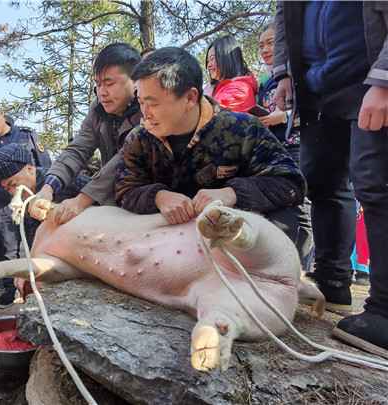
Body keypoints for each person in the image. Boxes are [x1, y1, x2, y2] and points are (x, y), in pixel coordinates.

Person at [273, 1, 387, 356]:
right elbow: (285, 14)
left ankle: (384, 309)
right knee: (321, 182)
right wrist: (284, 72)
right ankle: (332, 280)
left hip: (368, 75)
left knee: (376, 185)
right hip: (317, 87)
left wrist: (384, 80)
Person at [116, 47, 306, 246]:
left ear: (190, 98)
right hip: (167, 246)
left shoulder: (242, 129)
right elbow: (124, 191)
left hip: (236, 244)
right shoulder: (139, 139)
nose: (144, 114)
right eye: (141, 103)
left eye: (152, 103)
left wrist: (233, 194)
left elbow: (291, 183)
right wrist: (158, 197)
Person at [32, 43, 143, 225]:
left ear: (136, 81)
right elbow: (77, 149)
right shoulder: (97, 110)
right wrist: (47, 189)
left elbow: (125, 157)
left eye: (109, 84)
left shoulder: (149, 108)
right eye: (98, 85)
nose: (102, 93)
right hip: (109, 194)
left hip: (143, 191)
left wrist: (82, 200)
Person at [0, 96, 51, 309]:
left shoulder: (26, 134)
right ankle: (9, 289)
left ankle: (39, 284)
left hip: (32, 200)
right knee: (7, 247)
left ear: (1, 114)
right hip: (4, 204)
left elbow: (45, 166)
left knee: (38, 242)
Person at [256, 22, 314, 274]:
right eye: (261, 45)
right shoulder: (268, 81)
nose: (266, 49)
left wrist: (284, 117)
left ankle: (301, 267)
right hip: (274, 151)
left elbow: (316, 110)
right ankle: (280, 266)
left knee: (301, 205)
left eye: (271, 42)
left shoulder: (304, 71)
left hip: (298, 147)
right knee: (281, 205)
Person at [205, 35, 258, 113]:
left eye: (212, 59)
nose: (209, 65)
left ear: (227, 58)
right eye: (208, 61)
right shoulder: (220, 87)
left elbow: (208, 111)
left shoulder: (240, 88)